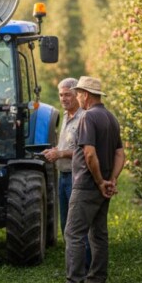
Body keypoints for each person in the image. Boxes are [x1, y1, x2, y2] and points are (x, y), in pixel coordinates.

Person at [63, 76, 125, 283]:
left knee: (74, 233)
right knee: (98, 234)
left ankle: (74, 282)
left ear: (86, 95)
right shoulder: (111, 118)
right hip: (103, 185)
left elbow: (89, 154)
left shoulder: (87, 118)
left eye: (78, 93)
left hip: (88, 184)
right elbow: (120, 153)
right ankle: (97, 280)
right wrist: (112, 179)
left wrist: (100, 181)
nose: (77, 97)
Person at [41, 78, 91, 271]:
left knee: (77, 227)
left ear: (77, 95)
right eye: (61, 95)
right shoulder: (66, 117)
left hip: (75, 177)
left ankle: (84, 270)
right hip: (63, 177)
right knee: (66, 226)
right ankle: (73, 268)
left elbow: (85, 149)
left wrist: (60, 153)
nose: (64, 98)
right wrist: (55, 150)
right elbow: (68, 146)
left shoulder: (83, 118)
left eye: (68, 94)